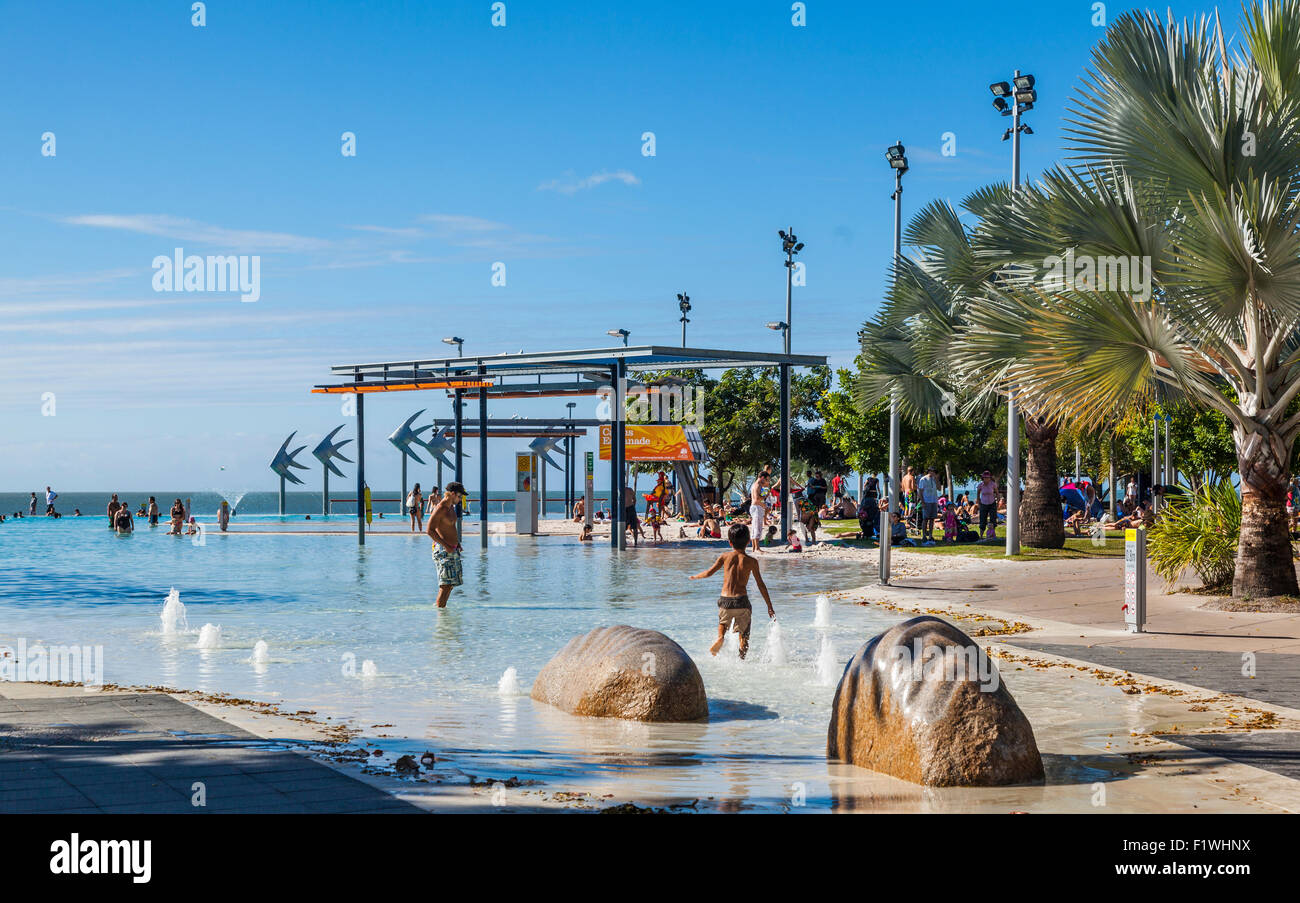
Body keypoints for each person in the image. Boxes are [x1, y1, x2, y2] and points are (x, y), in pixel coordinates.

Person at [689, 523, 776, 660]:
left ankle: (720, 637)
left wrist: (695, 577)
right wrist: (769, 606)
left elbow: (709, 573)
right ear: (748, 541)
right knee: (744, 634)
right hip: (742, 601)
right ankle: (742, 656)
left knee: (723, 623)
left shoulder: (725, 557)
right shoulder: (752, 561)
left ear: (730, 542)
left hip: (725, 601)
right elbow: (761, 585)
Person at [425, 482, 466, 608]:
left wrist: (456, 543)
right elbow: (429, 530)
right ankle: (440, 617)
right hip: (443, 550)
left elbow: (450, 527)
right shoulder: (441, 508)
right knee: (445, 585)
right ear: (452, 494)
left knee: (451, 584)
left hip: (452, 549)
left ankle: (442, 612)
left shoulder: (451, 508)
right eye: (460, 497)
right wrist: (446, 546)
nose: (460, 500)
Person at [748, 472, 769, 553]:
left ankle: (754, 548)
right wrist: (764, 498)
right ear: (763, 477)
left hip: (754, 507)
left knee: (754, 528)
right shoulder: (758, 485)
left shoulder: (755, 485)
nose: (766, 481)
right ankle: (757, 548)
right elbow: (757, 499)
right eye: (766, 479)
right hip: (756, 507)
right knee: (757, 528)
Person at [918, 467, 939, 543]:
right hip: (926, 501)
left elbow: (939, 488)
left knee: (932, 519)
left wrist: (937, 479)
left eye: (934, 472)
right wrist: (922, 502)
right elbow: (920, 491)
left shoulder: (934, 479)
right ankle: (924, 535)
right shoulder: (923, 479)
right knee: (925, 519)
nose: (933, 473)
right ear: (929, 471)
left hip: (934, 501)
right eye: (932, 471)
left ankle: (930, 535)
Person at [976, 470, 999, 539]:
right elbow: (978, 494)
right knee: (982, 520)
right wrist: (978, 502)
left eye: (988, 477)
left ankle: (992, 535)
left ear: (990, 478)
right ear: (983, 478)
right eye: (985, 478)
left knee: (993, 519)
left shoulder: (993, 484)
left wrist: (997, 501)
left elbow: (997, 493)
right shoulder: (980, 485)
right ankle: (981, 535)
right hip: (983, 503)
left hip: (992, 503)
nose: (986, 479)